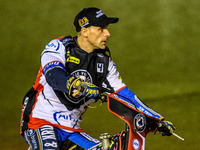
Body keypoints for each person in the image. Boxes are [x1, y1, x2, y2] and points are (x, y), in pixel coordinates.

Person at [20, 7, 175, 150]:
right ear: (85, 31)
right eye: (101, 29)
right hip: (40, 121)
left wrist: (156, 118)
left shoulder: (104, 62)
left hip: (71, 129)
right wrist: (80, 86)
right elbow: (54, 75)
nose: (107, 34)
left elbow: (125, 95)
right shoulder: (59, 46)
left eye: (106, 29)